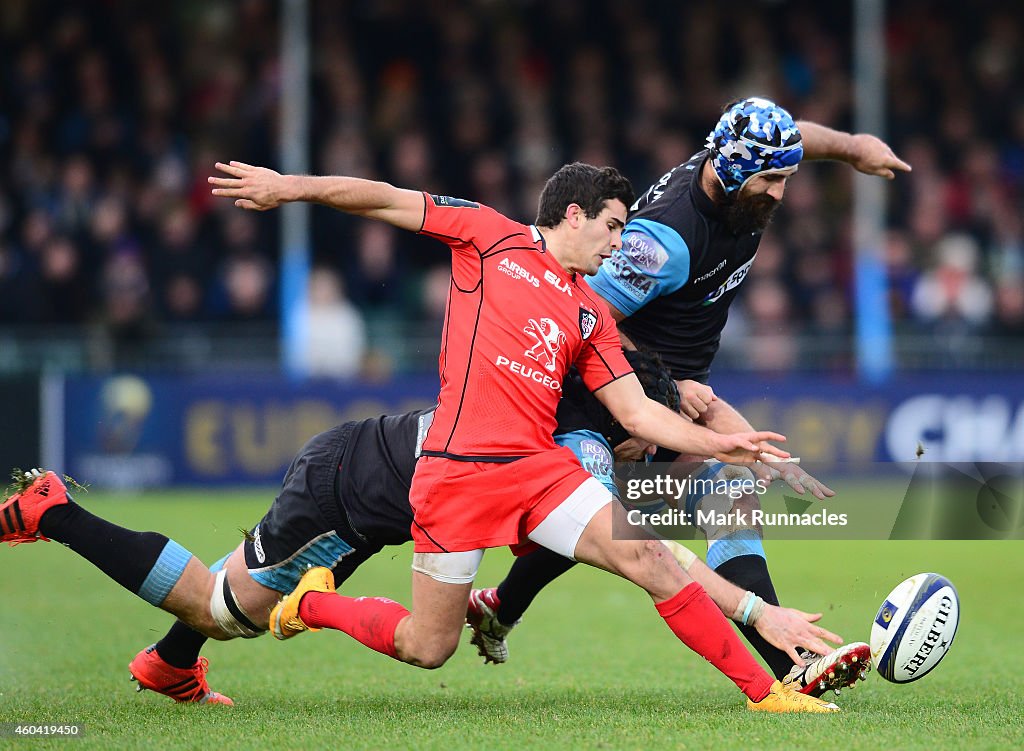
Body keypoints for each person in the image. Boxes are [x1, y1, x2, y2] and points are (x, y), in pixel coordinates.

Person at [201, 158, 841, 712]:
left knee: (644, 554)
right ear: (574, 214)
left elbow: (639, 414)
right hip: (454, 469)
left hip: (538, 469)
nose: (620, 244)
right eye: (615, 226)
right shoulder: (488, 236)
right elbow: (387, 198)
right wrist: (291, 187)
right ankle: (311, 604)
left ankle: (769, 695)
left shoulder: (590, 313)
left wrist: (721, 444)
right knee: (429, 648)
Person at [0, 353, 843, 706]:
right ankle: (55, 510)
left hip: (388, 487)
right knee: (226, 604)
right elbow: (646, 551)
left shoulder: (577, 402)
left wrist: (737, 446)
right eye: (645, 449)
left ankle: (168, 665)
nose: (643, 462)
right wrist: (757, 611)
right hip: (352, 489)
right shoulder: (579, 447)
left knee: (229, 608)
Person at [468, 97, 909, 694]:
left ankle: (788, 669)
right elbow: (581, 308)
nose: (780, 193)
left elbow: (795, 134)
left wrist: (854, 146)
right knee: (606, 523)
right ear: (729, 170)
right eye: (771, 180)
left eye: (786, 177)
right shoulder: (663, 243)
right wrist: (664, 391)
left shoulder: (736, 176)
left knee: (723, 499)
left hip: (669, 392)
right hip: (611, 397)